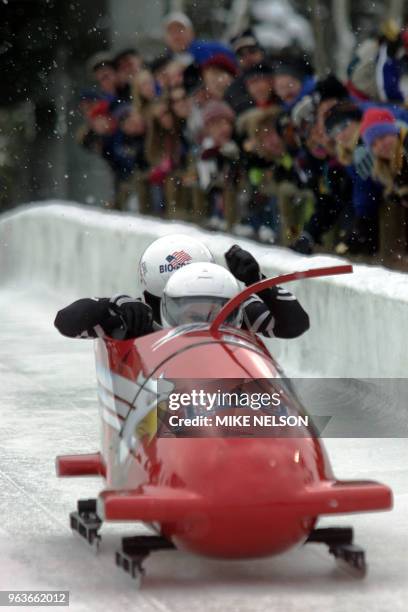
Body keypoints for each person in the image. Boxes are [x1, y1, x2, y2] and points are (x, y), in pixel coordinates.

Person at [54, 237, 309, 341]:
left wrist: (258, 282)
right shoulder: (134, 318)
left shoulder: (236, 310)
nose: (198, 315)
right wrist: (112, 305)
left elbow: (295, 324)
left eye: (208, 303)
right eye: (184, 305)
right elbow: (65, 322)